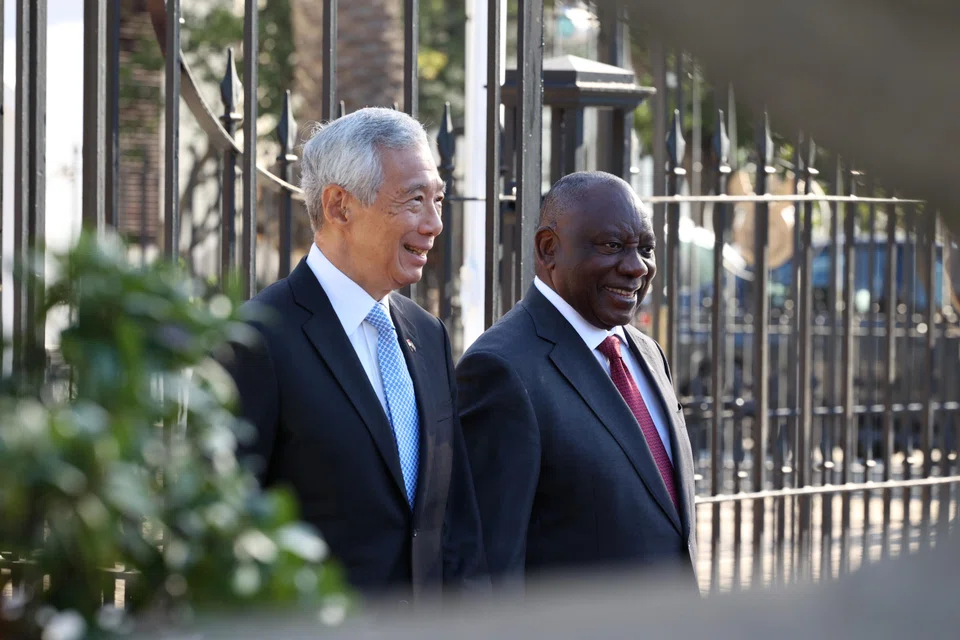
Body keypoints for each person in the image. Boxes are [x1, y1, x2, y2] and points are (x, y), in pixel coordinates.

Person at [219, 107, 486, 605]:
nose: (434, 223)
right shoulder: (256, 340)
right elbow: (226, 533)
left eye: (438, 199)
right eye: (413, 200)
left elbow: (456, 519)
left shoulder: (427, 336)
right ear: (340, 206)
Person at [456, 171, 698, 590]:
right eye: (612, 246)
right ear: (549, 249)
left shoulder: (648, 355)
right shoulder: (500, 370)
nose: (636, 266)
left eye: (645, 248)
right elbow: (491, 570)